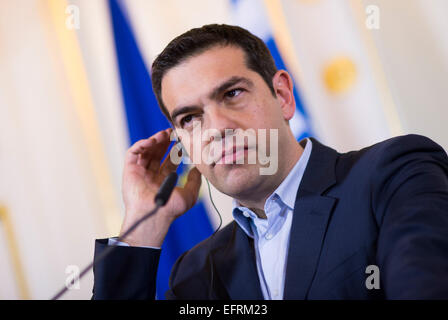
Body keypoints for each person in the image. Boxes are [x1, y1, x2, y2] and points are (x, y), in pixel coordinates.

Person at [92, 24, 448, 299]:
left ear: (282, 95)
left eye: (232, 94)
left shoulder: (395, 174)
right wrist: (143, 222)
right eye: (189, 118)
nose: (216, 129)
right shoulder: (196, 273)